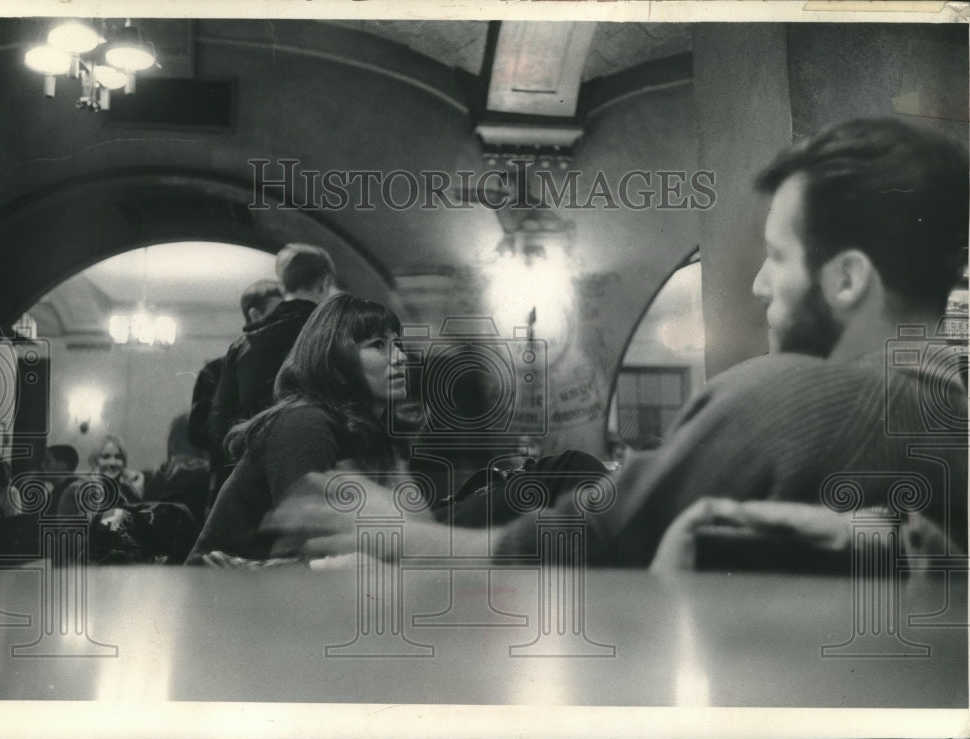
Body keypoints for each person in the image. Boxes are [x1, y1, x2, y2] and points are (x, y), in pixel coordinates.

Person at [263, 117, 969, 571]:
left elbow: (605, 532)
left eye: (778, 258)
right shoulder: (945, 408)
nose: (758, 285)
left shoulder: (804, 398)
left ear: (847, 279)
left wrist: (409, 539)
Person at [186, 293, 409, 564]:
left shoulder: (369, 435)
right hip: (218, 598)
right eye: (378, 344)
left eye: (398, 344)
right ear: (336, 358)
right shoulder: (305, 423)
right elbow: (318, 548)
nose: (400, 358)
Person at [207, 245, 336, 472]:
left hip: (253, 477)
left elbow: (219, 427)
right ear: (324, 282)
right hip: (320, 472)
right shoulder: (336, 338)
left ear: (282, 285)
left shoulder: (243, 345)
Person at [189, 279, 283, 509]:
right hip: (230, 486)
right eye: (278, 312)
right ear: (255, 315)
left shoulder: (285, 367)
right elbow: (199, 432)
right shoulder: (215, 371)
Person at [57, 434, 143, 514]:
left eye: (118, 457)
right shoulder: (76, 490)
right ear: (95, 461)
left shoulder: (125, 490)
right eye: (106, 457)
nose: (112, 463)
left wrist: (136, 492)